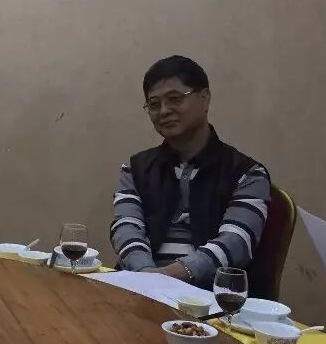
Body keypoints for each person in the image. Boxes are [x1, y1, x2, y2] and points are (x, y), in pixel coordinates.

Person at [109, 55, 271, 291]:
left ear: (204, 99)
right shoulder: (135, 169)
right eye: (154, 104)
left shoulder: (247, 174)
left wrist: (169, 276)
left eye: (174, 99)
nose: (164, 111)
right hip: (141, 287)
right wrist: (146, 274)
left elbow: (236, 241)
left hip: (209, 296)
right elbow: (126, 228)